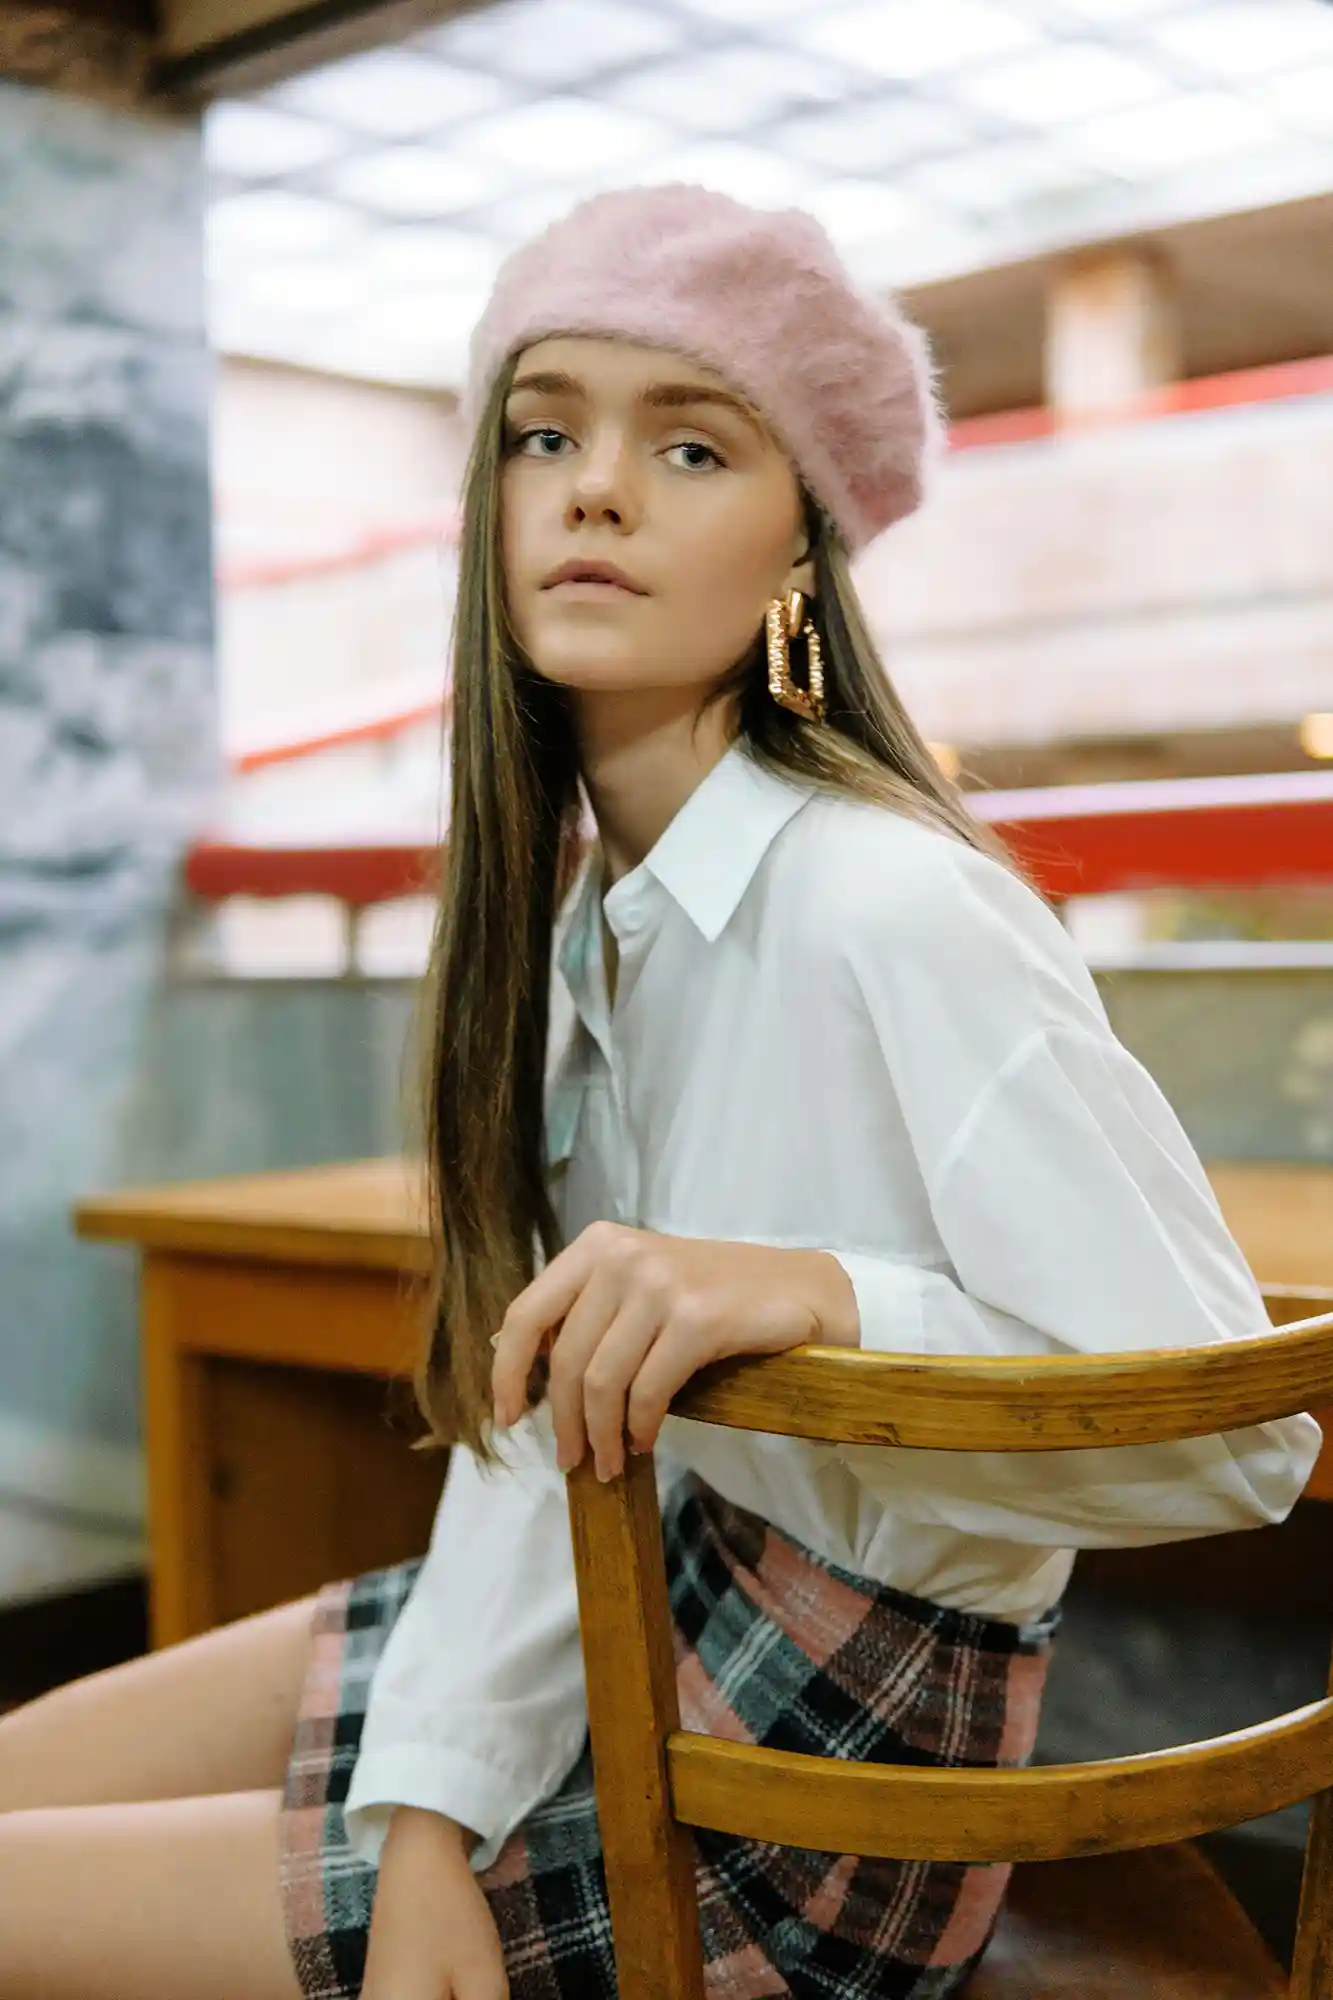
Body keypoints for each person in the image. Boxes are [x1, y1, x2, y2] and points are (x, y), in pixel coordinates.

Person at [0, 183, 1320, 2000]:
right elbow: (554, 1434)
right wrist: (429, 1819)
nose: (595, 490)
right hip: (627, 1589)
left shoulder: (887, 902)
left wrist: (826, 1295)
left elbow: (1243, 1434)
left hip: (823, 1790)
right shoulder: (599, 924)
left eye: (690, 445)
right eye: (545, 433)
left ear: (802, 552)